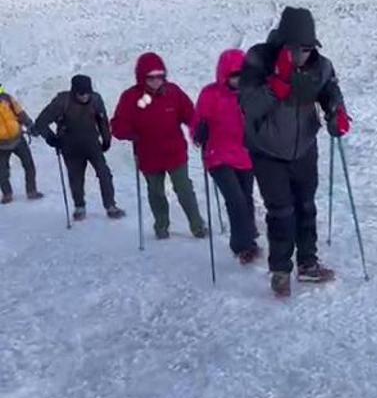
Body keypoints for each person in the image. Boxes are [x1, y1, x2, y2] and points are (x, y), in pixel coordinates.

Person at [240, 6, 351, 297]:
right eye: (295, 48)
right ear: (282, 43)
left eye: (306, 48)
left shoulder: (320, 65)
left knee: (305, 206)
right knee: (281, 211)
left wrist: (336, 111)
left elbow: (330, 89)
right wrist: (278, 82)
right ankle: (280, 270)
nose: (301, 54)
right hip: (267, 151)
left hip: (304, 148)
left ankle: (308, 264)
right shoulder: (258, 59)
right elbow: (250, 106)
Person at [111, 52, 207, 240]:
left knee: (184, 189)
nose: (156, 81)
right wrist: (128, 132)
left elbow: (190, 114)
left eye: (160, 76)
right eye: (151, 77)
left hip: (175, 152)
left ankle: (197, 225)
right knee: (156, 192)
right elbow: (118, 124)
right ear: (142, 77)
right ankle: (161, 226)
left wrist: (199, 130)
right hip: (148, 154)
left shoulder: (173, 92)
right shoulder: (131, 97)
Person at [192, 49, 261, 264]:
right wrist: (199, 132)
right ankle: (241, 245)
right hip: (218, 155)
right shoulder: (210, 94)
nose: (237, 80)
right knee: (236, 200)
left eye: (241, 75)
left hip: (245, 154)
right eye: (233, 76)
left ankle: (248, 241)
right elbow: (197, 123)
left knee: (246, 198)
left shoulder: (252, 94)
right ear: (223, 75)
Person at [35, 75, 125, 220]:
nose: (84, 96)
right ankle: (79, 207)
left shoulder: (96, 99)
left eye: (87, 93)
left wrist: (106, 139)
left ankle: (110, 206)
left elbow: (102, 120)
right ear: (74, 91)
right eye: (81, 93)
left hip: (92, 143)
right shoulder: (62, 101)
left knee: (104, 174)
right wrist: (52, 139)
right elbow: (40, 122)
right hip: (70, 146)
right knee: (76, 177)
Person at [0, 84, 43, 204]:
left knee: (29, 165)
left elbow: (20, 113)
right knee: (2, 171)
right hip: (1, 145)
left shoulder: (7, 98)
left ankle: (31, 191)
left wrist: (30, 125)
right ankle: (7, 194)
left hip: (18, 139)